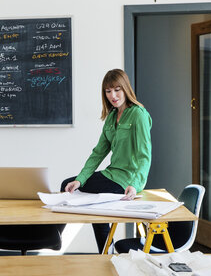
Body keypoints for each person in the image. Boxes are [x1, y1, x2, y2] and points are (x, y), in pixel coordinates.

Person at [61, 68, 152, 253]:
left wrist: (135, 185)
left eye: (117, 89)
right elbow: (98, 153)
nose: (113, 95)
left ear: (126, 88)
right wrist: (80, 179)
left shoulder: (138, 114)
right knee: (71, 186)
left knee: (75, 190)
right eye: (108, 91)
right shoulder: (111, 117)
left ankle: (57, 237)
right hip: (112, 174)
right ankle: (105, 253)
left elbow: (145, 155)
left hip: (127, 180)